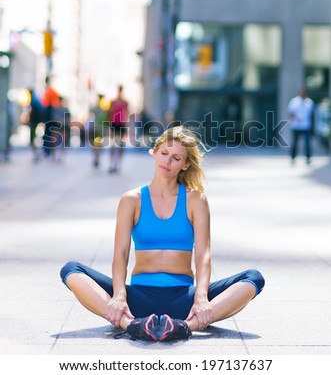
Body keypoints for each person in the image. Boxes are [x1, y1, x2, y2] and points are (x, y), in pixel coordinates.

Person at [60, 126, 265, 342]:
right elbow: (120, 255)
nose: (167, 162)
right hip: (138, 297)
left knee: (253, 278)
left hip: (183, 298)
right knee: (71, 270)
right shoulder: (132, 199)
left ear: (185, 164)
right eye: (164, 153)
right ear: (154, 152)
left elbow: (203, 255)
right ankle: (131, 325)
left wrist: (201, 298)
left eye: (176, 158)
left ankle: (185, 326)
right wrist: (120, 295)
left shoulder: (196, 200)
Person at [287, 88, 315, 164]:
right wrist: (294, 119)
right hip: (296, 126)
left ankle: (308, 158)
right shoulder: (294, 102)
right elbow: (290, 113)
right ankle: (293, 158)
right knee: (295, 143)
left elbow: (311, 115)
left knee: (307, 143)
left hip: (306, 126)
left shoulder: (309, 102)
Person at [108, 85, 129, 173]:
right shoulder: (113, 102)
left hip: (121, 123)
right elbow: (110, 113)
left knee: (120, 144)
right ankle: (113, 163)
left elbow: (126, 113)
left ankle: (118, 163)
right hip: (114, 123)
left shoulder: (125, 102)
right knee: (113, 144)